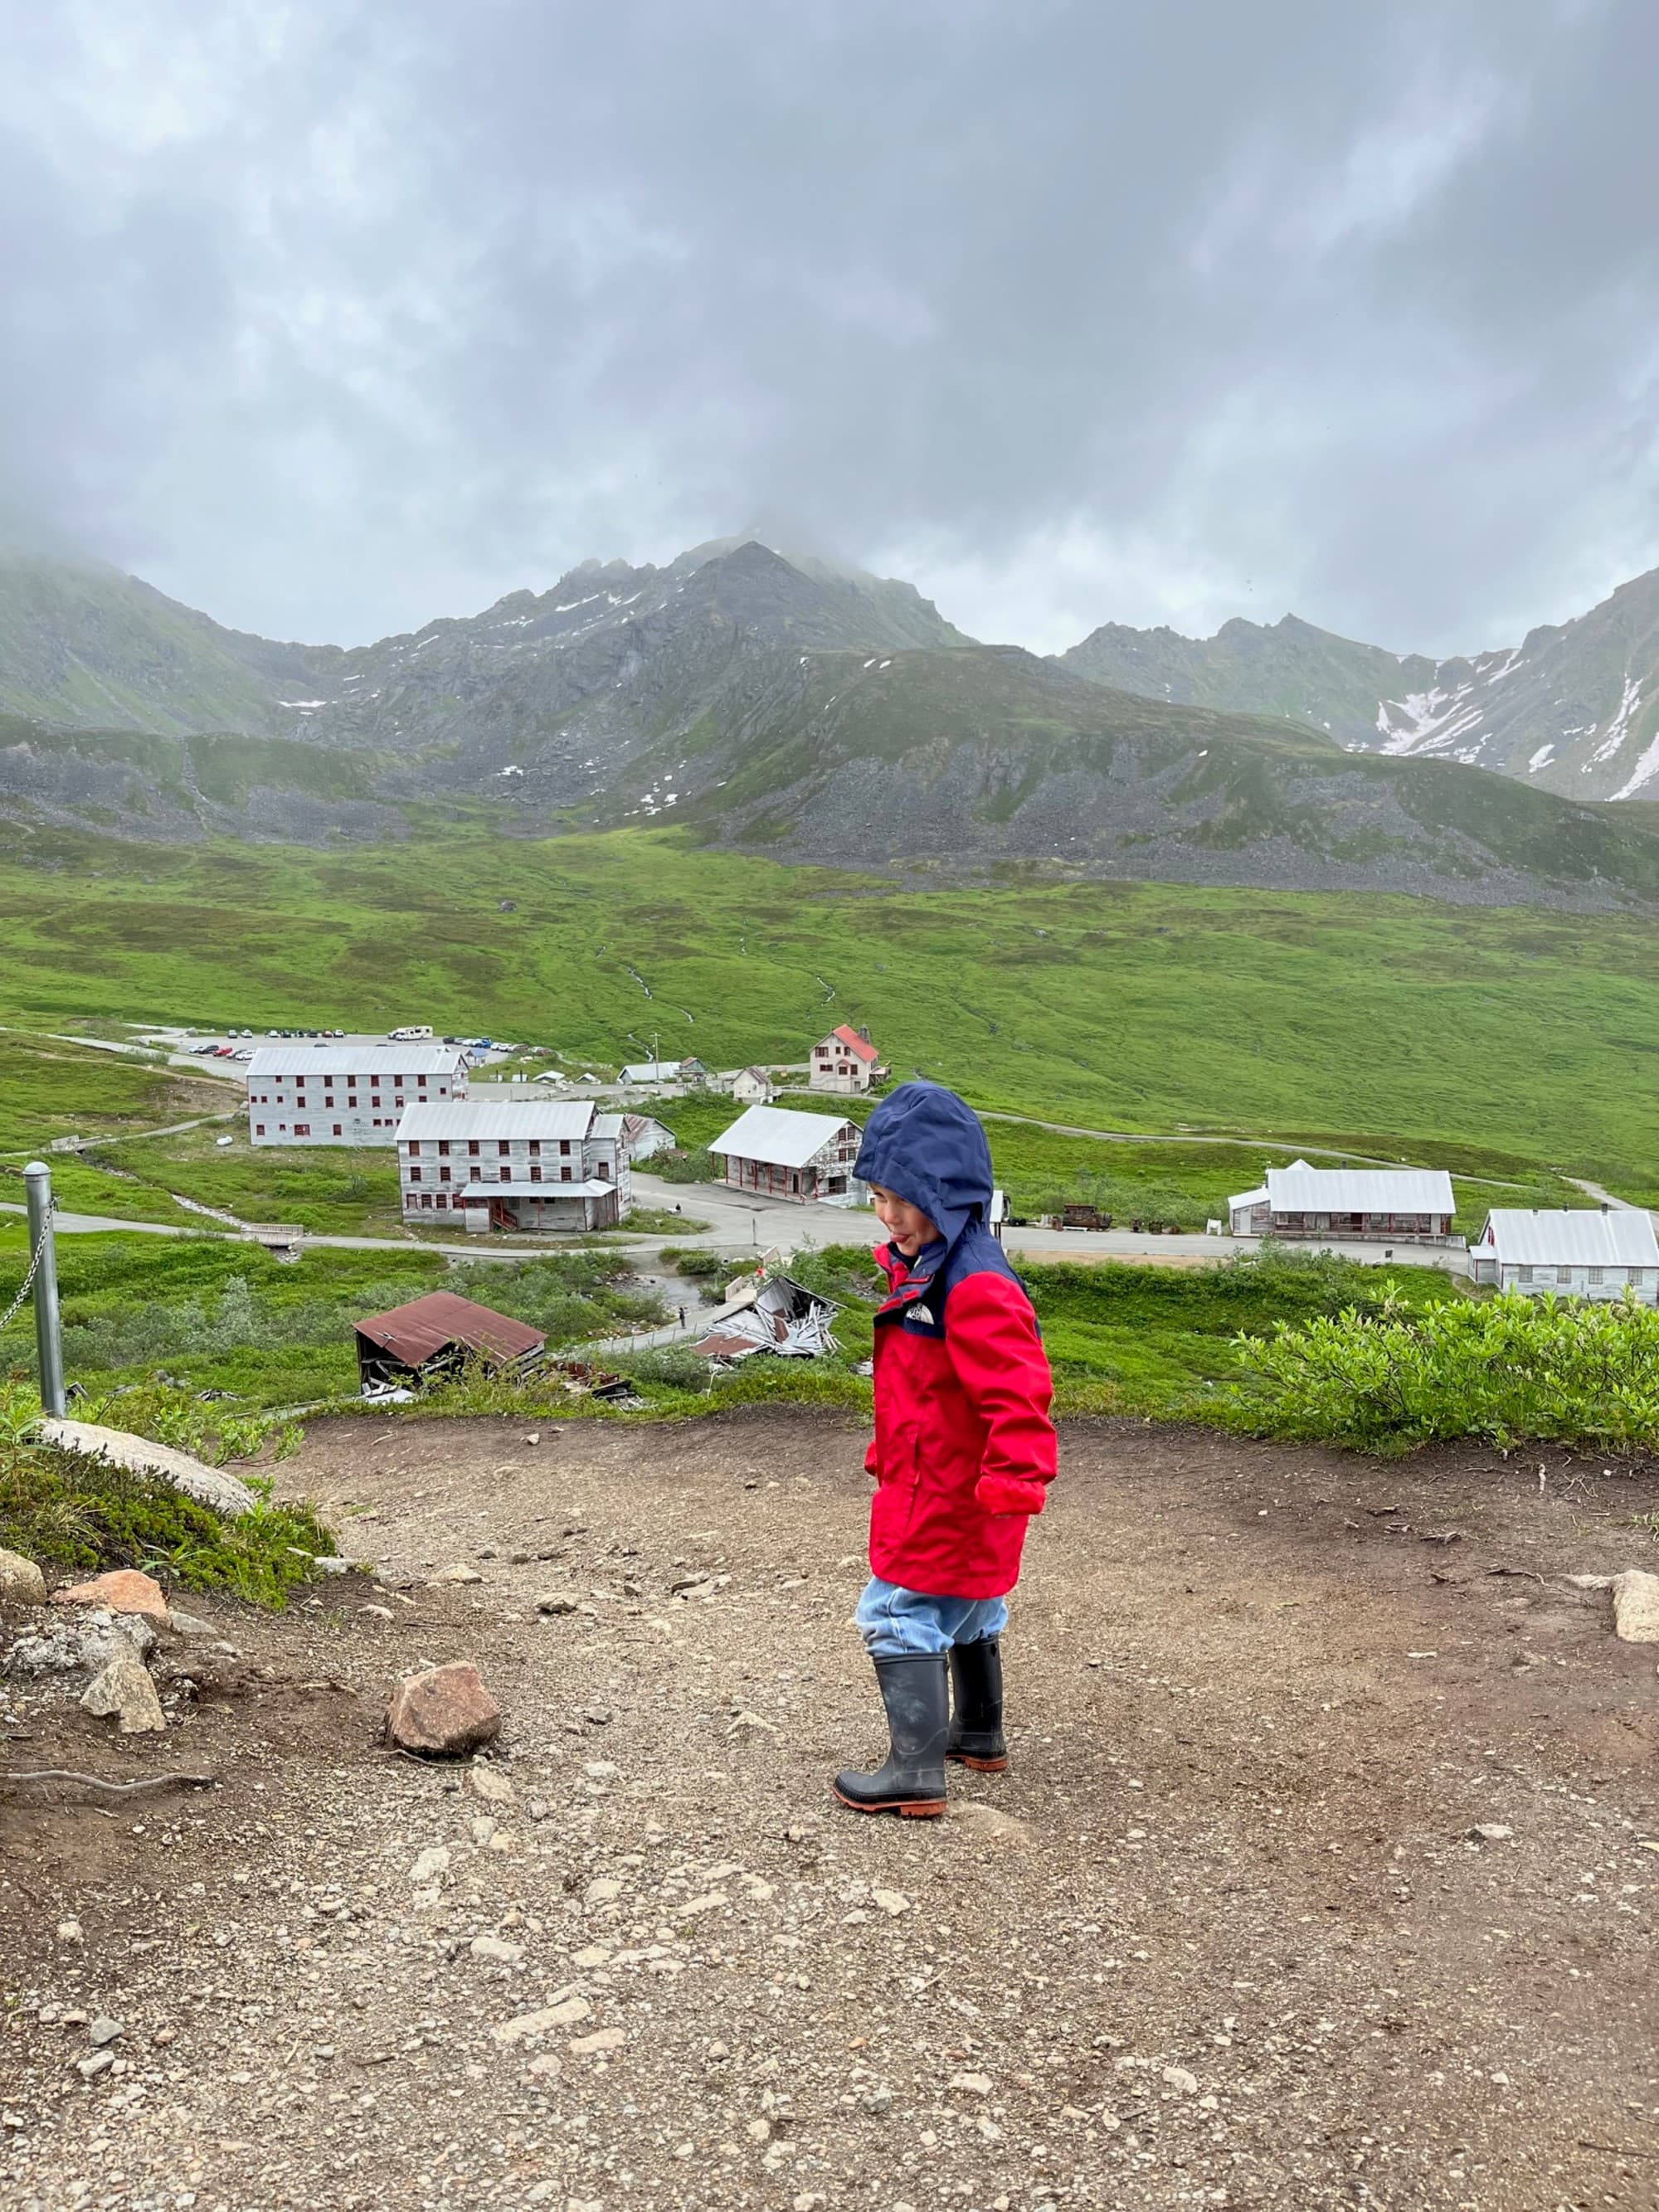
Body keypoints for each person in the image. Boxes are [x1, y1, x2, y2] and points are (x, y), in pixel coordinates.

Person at [834, 1081, 1055, 1817]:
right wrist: (885, 1450)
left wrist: (1016, 1481)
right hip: (949, 1478)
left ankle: (915, 1770)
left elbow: (1020, 1392)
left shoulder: (973, 1283)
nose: (887, 1214)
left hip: (959, 1490)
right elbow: (926, 1390)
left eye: (902, 1196)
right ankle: (979, 1731)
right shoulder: (937, 1264)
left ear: (949, 1191)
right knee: (975, 1604)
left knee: (896, 1608)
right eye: (876, 1196)